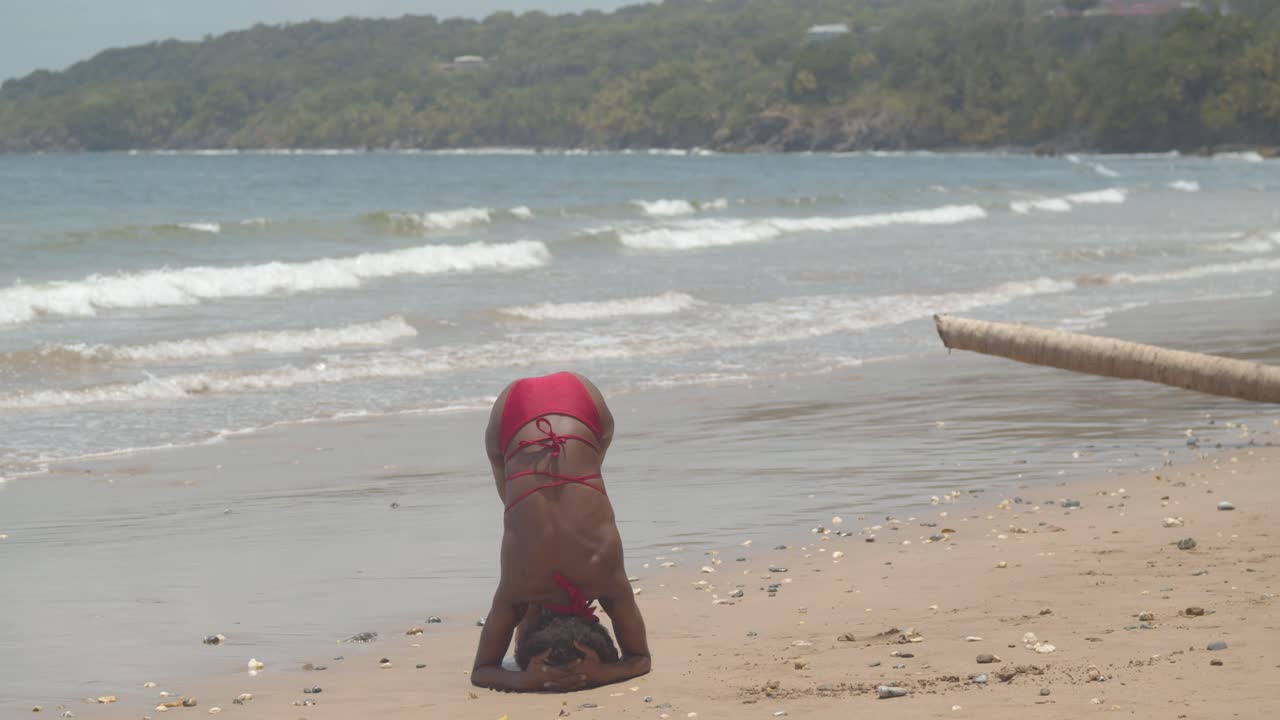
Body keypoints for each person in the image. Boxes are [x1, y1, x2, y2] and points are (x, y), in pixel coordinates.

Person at [470, 371, 651, 693]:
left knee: (583, 465)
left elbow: (638, 660)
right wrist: (524, 679)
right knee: (515, 491)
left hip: (583, 401)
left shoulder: (607, 583)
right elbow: (482, 672)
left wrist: (603, 673)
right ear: (526, 624)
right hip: (513, 414)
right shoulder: (517, 592)